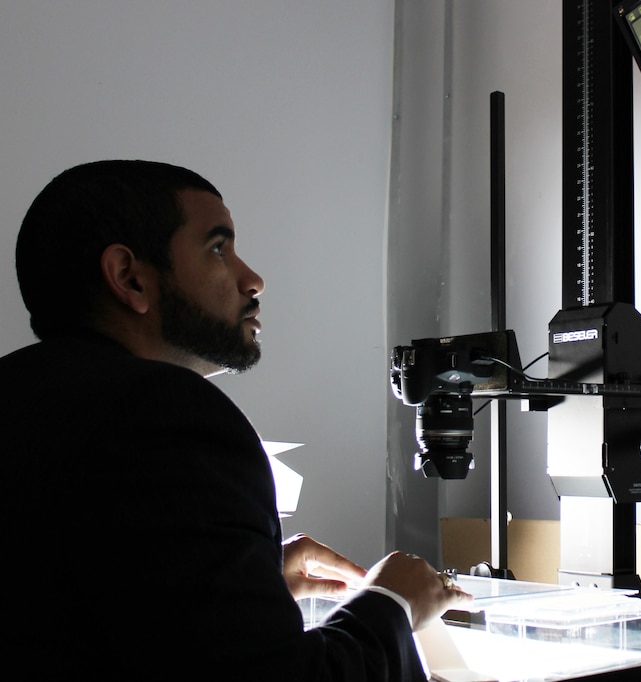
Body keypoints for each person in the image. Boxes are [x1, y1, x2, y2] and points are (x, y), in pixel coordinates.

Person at [2, 160, 471, 680]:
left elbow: (73, 608)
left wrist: (245, 580)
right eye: (218, 248)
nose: (253, 279)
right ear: (130, 277)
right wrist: (393, 603)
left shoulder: (25, 397)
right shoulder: (168, 411)